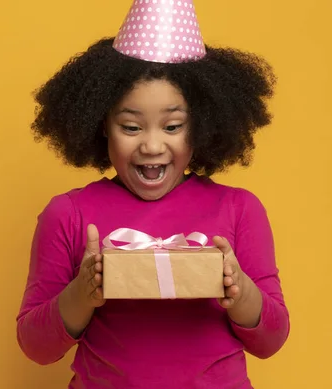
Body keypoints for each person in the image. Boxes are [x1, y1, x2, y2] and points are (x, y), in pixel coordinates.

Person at [16, 1, 290, 387]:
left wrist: (240, 289)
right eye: (131, 127)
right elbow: (35, 347)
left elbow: (271, 339)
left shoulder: (239, 209)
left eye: (173, 126)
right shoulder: (69, 214)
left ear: (202, 126)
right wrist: (83, 292)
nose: (151, 145)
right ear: (101, 126)